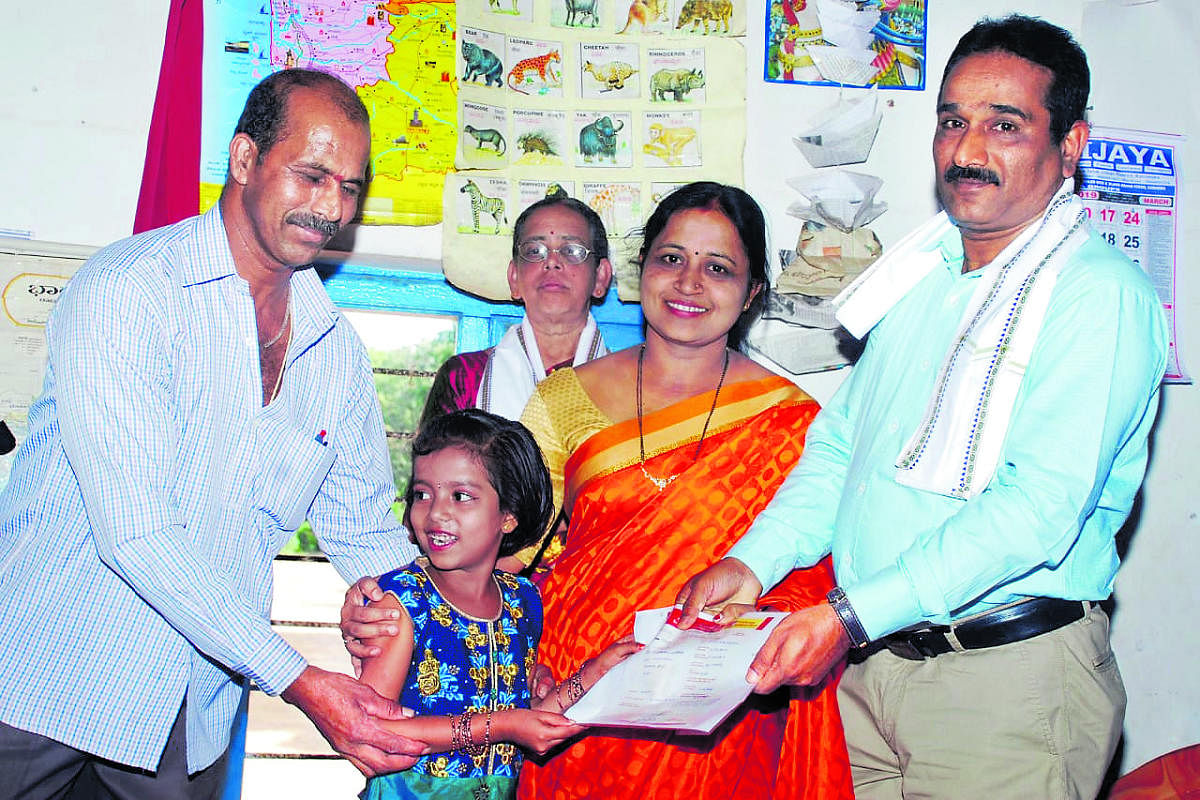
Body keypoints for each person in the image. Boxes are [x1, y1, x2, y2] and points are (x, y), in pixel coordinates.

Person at [677, 15, 1169, 800]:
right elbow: (843, 455)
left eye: (1005, 125)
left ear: (1070, 144)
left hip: (1007, 687)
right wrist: (753, 561)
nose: (967, 151)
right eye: (952, 122)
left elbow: (1039, 509)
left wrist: (844, 617)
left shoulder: (1097, 294)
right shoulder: (919, 277)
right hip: (874, 674)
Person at [0, 68, 426, 797]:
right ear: (243, 161)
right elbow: (136, 531)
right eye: (312, 175)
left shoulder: (337, 352)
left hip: (189, 705)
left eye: (349, 188)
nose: (330, 207)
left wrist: (451, 617)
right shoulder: (128, 292)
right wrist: (301, 680)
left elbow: (361, 527)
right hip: (42, 682)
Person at [358, 409, 638, 800]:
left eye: (461, 496)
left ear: (508, 516)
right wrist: (501, 726)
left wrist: (594, 673)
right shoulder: (400, 603)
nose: (436, 512)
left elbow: (527, 717)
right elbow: (372, 729)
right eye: (422, 493)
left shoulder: (523, 602)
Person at [419, 195, 614, 425]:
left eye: (571, 250)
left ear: (600, 278)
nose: (552, 262)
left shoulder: (634, 387)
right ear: (514, 278)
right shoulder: (464, 378)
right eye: (534, 251)